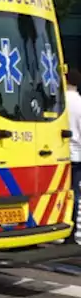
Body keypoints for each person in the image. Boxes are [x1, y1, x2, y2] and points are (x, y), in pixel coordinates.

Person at [67, 69, 81, 244]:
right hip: (76, 155)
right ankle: (71, 232)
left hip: (57, 155)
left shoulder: (57, 101)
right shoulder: (79, 102)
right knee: (74, 193)